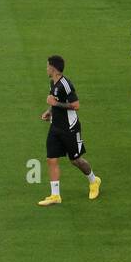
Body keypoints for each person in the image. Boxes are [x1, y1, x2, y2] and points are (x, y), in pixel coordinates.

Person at [37, 56, 100, 205]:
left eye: (47, 66)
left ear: (53, 68)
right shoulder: (53, 82)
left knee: (75, 160)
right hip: (55, 127)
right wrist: (50, 111)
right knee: (51, 159)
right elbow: (55, 101)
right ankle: (55, 195)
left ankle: (93, 181)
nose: (46, 69)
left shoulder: (66, 84)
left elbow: (76, 105)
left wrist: (55, 104)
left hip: (69, 128)